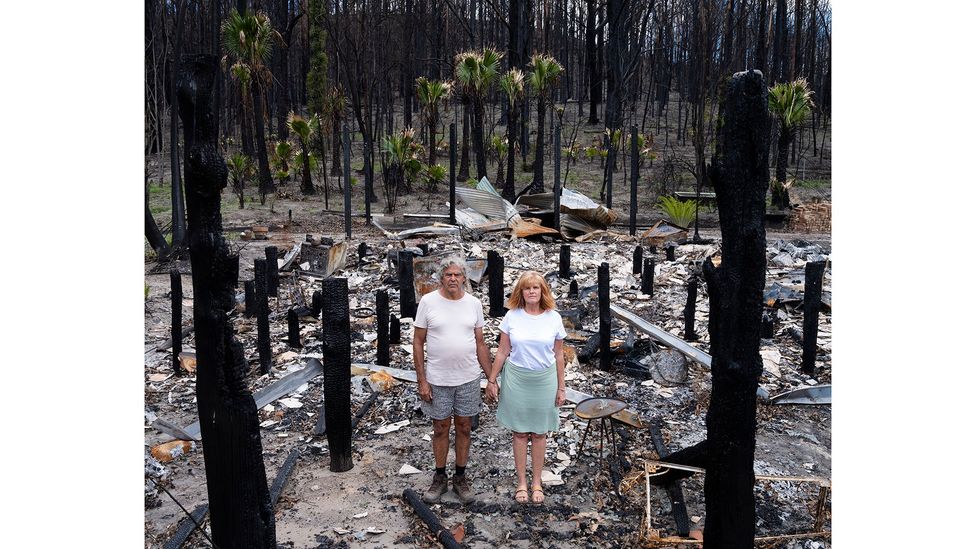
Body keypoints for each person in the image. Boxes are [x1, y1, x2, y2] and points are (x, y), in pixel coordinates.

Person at [413, 256, 492, 504]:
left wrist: (491, 377)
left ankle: (460, 476)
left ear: (464, 278)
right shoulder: (428, 302)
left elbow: (480, 343)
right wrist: (422, 381)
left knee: (465, 427)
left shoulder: (474, 304)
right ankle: (439, 477)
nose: (453, 279)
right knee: (440, 428)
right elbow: (417, 342)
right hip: (438, 379)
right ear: (441, 277)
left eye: (458, 275)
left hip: (468, 378)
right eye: (449, 274)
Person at [486, 270, 566, 504]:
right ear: (520, 292)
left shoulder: (554, 317)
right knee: (520, 432)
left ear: (543, 291)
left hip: (544, 379)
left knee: (540, 432)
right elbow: (502, 351)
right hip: (517, 379)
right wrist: (492, 380)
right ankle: (522, 481)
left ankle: (537, 482)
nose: (532, 291)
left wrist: (562, 387)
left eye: (536, 288)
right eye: (527, 288)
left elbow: (559, 355)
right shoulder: (512, 316)